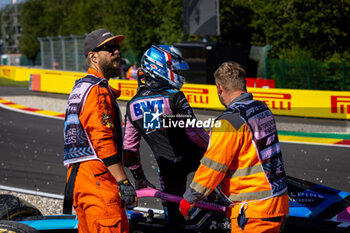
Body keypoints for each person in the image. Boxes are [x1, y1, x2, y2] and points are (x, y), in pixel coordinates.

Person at [179, 61, 289, 233]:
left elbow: (213, 165)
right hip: (276, 201)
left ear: (219, 88)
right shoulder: (263, 109)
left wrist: (190, 198)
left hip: (252, 209)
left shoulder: (229, 121)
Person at [123, 45, 209, 225]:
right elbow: (195, 134)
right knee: (219, 207)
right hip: (197, 158)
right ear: (158, 67)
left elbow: (129, 150)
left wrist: (139, 178)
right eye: (175, 69)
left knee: (174, 222)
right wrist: (215, 148)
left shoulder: (131, 105)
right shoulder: (175, 96)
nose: (178, 72)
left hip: (168, 167)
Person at [63, 28, 137, 233]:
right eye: (109, 48)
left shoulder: (80, 87)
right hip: (99, 182)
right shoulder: (97, 90)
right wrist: (123, 181)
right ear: (93, 56)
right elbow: (101, 140)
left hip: (80, 180)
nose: (117, 52)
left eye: (117, 47)